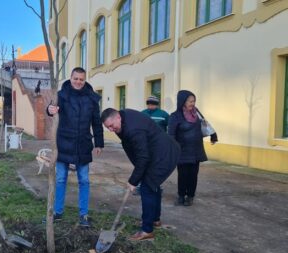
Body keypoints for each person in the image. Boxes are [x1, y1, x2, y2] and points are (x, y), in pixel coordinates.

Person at [101, 108, 180, 241]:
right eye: (107, 127)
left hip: (163, 154)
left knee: (147, 188)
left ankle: (147, 230)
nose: (111, 130)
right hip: (156, 151)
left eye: (111, 126)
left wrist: (133, 180)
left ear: (118, 117)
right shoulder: (124, 119)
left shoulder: (133, 130)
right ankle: (154, 219)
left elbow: (143, 158)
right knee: (152, 185)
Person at [47, 67, 104, 227]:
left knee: (84, 180)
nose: (78, 82)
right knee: (60, 179)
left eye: (81, 79)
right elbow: (51, 109)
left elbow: (96, 122)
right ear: (70, 78)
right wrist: (50, 110)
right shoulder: (61, 95)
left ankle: (83, 215)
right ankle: (58, 212)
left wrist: (99, 142)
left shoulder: (91, 98)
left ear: (84, 80)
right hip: (63, 143)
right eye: (75, 78)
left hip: (83, 144)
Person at [168, 90, 218, 206]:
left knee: (193, 175)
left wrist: (213, 135)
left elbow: (206, 125)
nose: (192, 103)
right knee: (183, 175)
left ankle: (190, 196)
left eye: (193, 101)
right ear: (182, 101)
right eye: (190, 101)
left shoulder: (197, 113)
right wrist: (173, 149)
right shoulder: (175, 116)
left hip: (196, 150)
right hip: (182, 151)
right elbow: (171, 135)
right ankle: (181, 196)